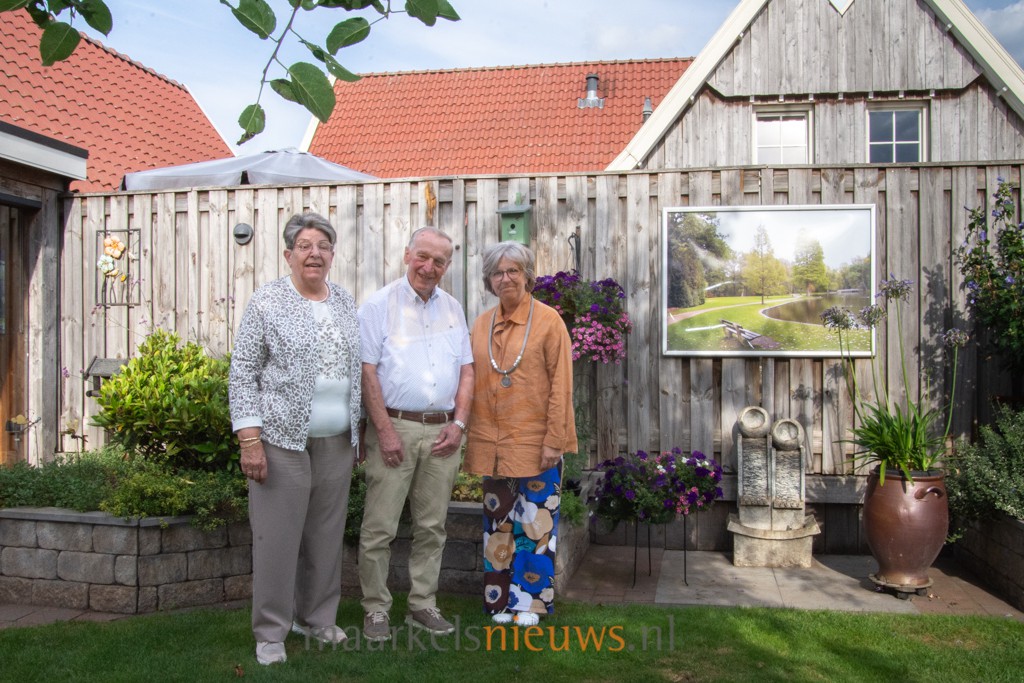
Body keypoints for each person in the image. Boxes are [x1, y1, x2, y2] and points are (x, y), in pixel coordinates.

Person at [229, 212, 362, 666]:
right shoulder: (266, 302)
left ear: (332, 254)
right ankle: (271, 631)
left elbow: (354, 370)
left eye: (323, 245)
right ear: (289, 255)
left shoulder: (344, 301)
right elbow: (243, 372)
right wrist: (250, 439)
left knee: (326, 536)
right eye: (304, 245)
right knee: (277, 540)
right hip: (281, 439)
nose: (314, 253)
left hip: (337, 439)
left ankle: (318, 619)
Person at [357, 226, 474, 641]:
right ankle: (375, 610)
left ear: (447, 265)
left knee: (432, 527)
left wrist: (459, 425)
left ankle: (423, 603)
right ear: (407, 254)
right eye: (422, 256)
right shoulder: (377, 305)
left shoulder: (453, 309)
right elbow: (367, 371)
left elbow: (466, 370)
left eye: (439, 261)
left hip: (443, 432)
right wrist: (384, 431)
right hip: (395, 428)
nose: (429, 267)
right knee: (380, 528)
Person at [463, 241, 577, 626]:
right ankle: (498, 602)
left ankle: (528, 603)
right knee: (498, 527)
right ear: (489, 280)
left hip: (536, 443)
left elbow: (561, 386)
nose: (506, 278)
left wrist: (554, 441)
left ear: (528, 276)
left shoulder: (548, 322)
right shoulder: (480, 324)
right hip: (493, 444)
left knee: (535, 527)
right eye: (498, 272)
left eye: (513, 270)